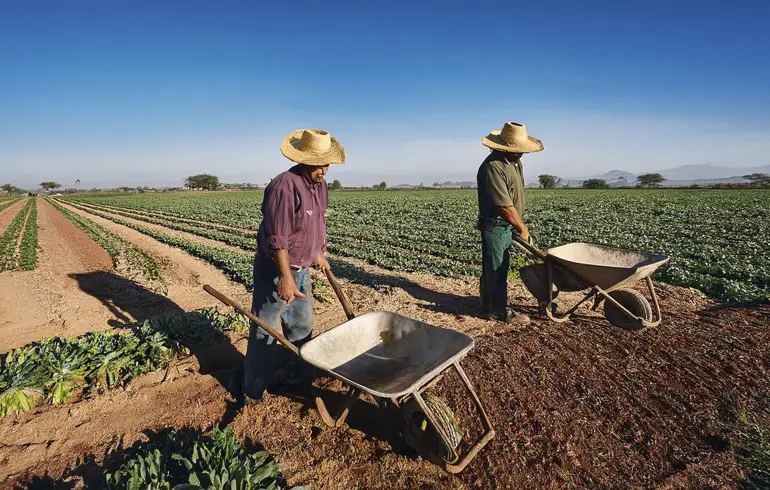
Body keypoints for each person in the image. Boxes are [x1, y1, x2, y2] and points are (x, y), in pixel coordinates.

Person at [243, 128, 345, 403]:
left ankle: (298, 376)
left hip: (303, 269)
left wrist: (318, 252)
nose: (323, 170)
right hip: (277, 269)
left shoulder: (320, 186)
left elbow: (316, 223)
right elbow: (278, 237)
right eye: (317, 164)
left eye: (326, 164)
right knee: (266, 329)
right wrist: (285, 276)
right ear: (303, 160)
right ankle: (252, 391)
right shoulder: (284, 186)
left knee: (301, 326)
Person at [476, 121, 544, 324]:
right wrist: (521, 226)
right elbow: (503, 206)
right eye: (519, 150)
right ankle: (497, 311)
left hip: (506, 225)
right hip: (495, 226)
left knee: (495, 267)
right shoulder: (493, 167)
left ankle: (487, 304)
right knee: (497, 269)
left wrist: (517, 224)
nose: (523, 153)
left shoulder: (514, 162)